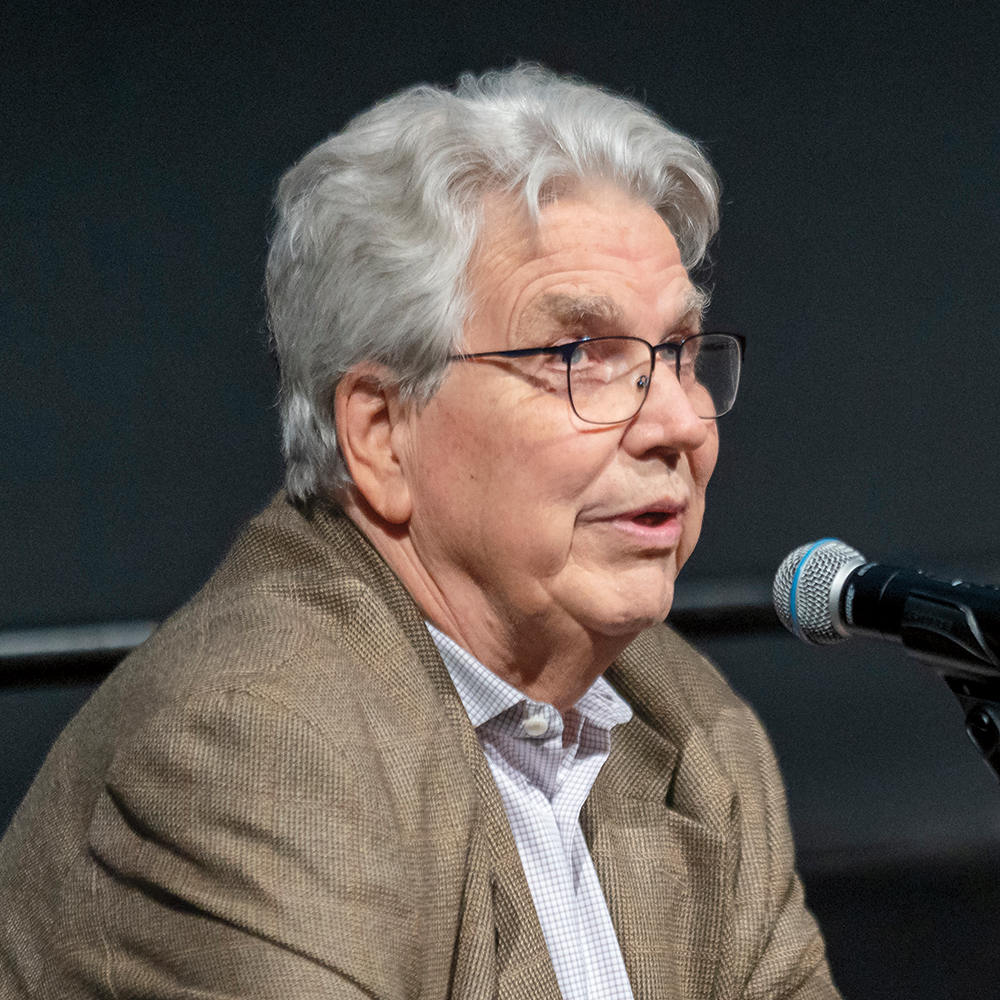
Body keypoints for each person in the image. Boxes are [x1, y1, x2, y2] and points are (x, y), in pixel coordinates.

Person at [0, 66, 839, 999]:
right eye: (583, 358)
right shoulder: (257, 746)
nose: (680, 423)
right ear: (381, 434)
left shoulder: (689, 724)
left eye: (677, 354)